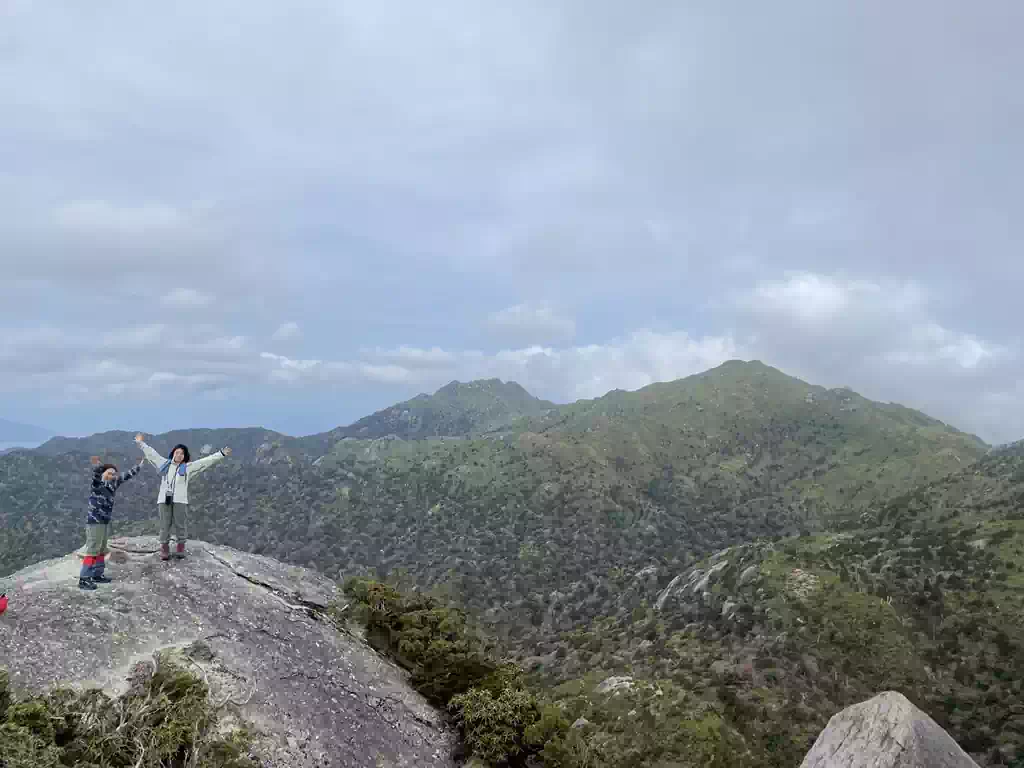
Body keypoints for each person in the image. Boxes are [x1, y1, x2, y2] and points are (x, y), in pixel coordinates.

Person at [135, 434, 232, 560]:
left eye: (182, 454)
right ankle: (164, 548)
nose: (179, 455)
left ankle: (180, 547)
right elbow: (151, 453)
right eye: (177, 452)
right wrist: (140, 443)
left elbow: (206, 461)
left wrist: (221, 454)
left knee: (180, 525)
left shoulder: (187, 468)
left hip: (180, 501)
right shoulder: (164, 464)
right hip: (164, 500)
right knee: (165, 525)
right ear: (173, 453)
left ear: (185, 456)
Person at [81, 455, 144, 590]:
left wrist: (139, 466)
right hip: (95, 522)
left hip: (104, 522)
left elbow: (126, 476)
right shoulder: (97, 485)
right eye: (108, 473)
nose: (111, 475)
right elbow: (96, 476)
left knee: (102, 549)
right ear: (104, 473)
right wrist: (98, 466)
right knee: (93, 549)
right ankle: (84, 578)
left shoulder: (113, 484)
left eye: (113, 474)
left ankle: (97, 574)